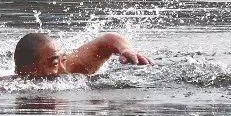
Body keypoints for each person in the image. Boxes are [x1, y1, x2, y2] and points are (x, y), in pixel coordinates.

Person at [13, 31, 153, 77]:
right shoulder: (11, 85)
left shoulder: (74, 66)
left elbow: (108, 39)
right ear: (28, 70)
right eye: (54, 64)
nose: (64, 70)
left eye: (64, 60)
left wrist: (126, 49)